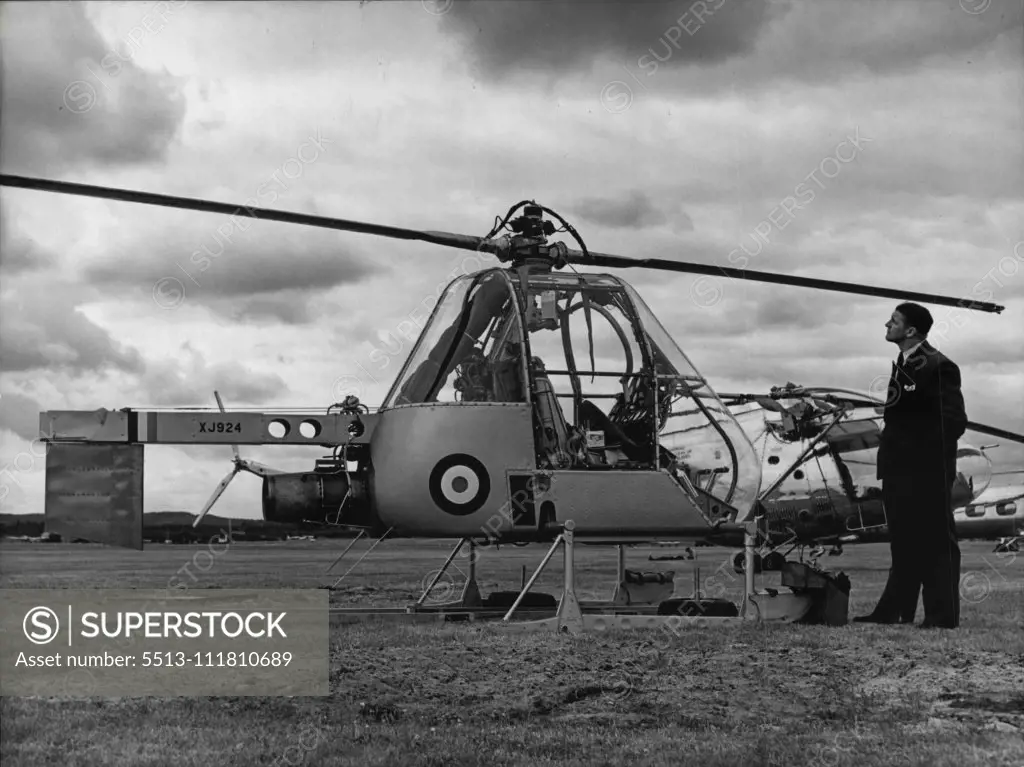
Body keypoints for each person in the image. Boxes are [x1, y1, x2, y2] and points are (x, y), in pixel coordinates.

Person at [854, 302, 967, 628]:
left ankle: (942, 616)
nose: (887, 324)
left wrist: (918, 456)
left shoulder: (939, 366)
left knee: (936, 542)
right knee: (904, 543)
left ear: (912, 330)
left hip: (926, 472)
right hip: (898, 472)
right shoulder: (903, 364)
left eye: (894, 321)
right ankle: (893, 612)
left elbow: (953, 422)